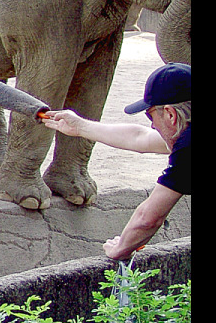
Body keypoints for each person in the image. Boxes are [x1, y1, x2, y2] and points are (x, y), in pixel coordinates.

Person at [42, 63, 191, 260]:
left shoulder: (187, 147)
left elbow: (149, 219)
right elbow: (140, 138)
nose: (152, 125)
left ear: (170, 114)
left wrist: (120, 248)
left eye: (151, 115)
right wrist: (80, 127)